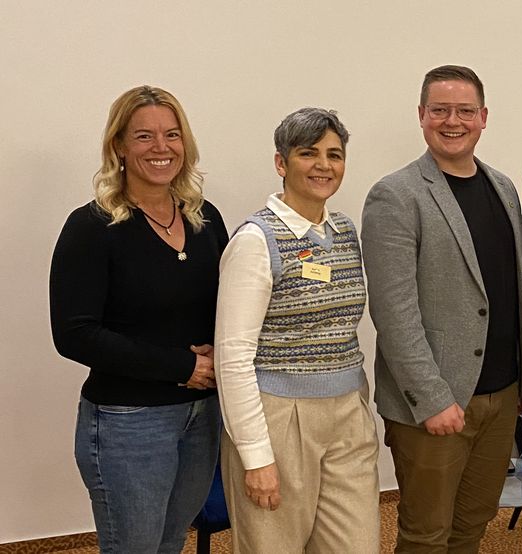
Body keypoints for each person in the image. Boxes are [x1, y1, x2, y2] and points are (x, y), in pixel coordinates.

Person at [49, 85, 228, 553]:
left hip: (201, 415)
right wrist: (181, 366)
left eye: (172, 134)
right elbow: (74, 334)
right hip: (128, 423)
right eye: (144, 136)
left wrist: (219, 350)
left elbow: (227, 305)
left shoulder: (205, 219)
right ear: (120, 146)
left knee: (170, 544)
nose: (160, 147)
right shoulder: (92, 227)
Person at [361, 64, 522, 553]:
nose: (453, 121)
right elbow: (394, 313)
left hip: (501, 397)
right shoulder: (395, 195)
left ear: (483, 117)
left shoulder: (503, 188)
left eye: (465, 111)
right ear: (421, 115)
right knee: (426, 537)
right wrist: (432, 398)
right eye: (440, 110)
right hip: (434, 405)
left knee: (471, 527)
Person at [214, 108, 380, 553]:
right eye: (308, 153)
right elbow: (233, 358)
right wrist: (255, 456)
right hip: (278, 420)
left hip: (347, 415)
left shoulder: (344, 232)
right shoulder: (255, 241)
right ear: (281, 163)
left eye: (334, 155)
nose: (324, 165)